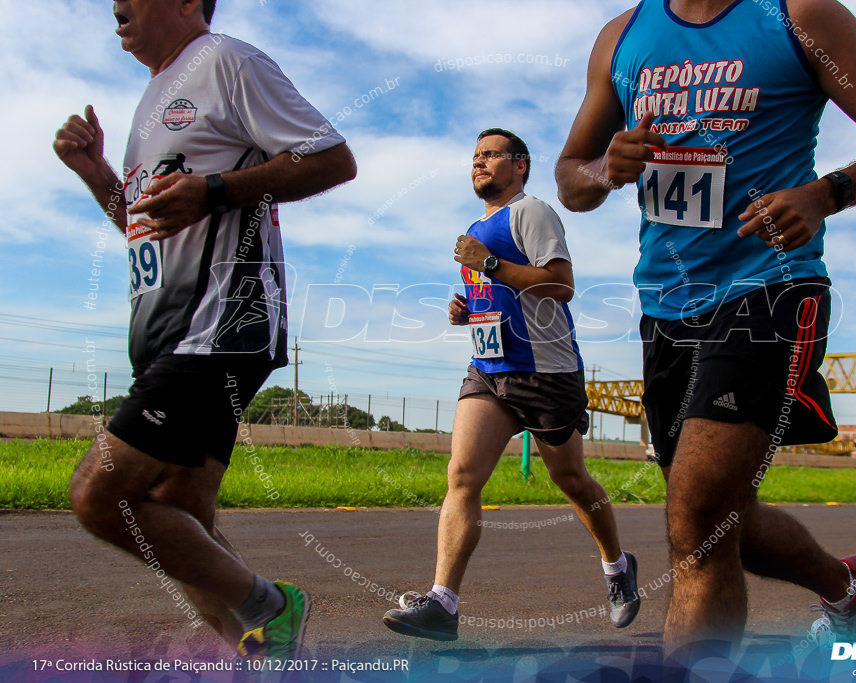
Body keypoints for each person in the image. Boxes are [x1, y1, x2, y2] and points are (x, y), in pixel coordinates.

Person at [554, 0, 856, 660]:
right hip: (667, 307)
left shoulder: (801, 17)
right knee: (713, 519)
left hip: (773, 285)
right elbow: (571, 175)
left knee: (699, 514)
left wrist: (825, 194)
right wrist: (605, 169)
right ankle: (845, 584)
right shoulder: (621, 39)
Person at [53, 0, 356, 661]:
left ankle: (271, 607)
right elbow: (145, 223)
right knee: (178, 507)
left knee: (100, 495)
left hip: (222, 320)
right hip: (171, 332)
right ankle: (258, 659)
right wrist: (95, 172)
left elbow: (332, 157)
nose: (114, 5)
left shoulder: (224, 61)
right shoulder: (153, 95)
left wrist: (216, 190)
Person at [382, 129, 640, 641]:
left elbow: (560, 284)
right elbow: (492, 291)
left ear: (520, 165)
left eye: (492, 155)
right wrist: (466, 309)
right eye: (475, 156)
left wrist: (490, 263)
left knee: (571, 481)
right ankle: (443, 603)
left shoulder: (531, 212)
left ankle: (617, 567)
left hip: (544, 371)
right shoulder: (476, 227)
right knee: (462, 476)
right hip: (488, 369)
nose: (479, 163)